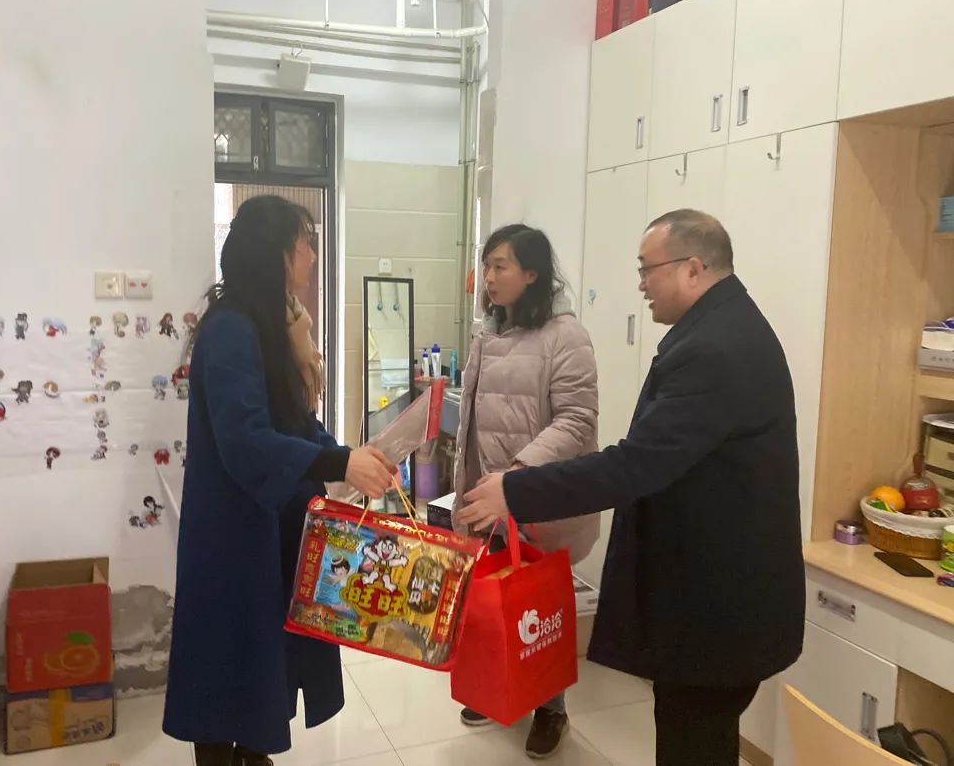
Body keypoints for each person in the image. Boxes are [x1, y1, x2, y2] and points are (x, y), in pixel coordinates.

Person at [458, 210, 805, 766]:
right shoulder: (718, 328)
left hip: (718, 599)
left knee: (694, 740)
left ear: (693, 268)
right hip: (714, 589)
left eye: (648, 269)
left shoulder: (714, 349)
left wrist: (517, 490)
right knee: (696, 734)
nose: (640, 284)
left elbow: (635, 464)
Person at [163, 196, 396, 766]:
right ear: (274, 254)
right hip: (233, 533)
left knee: (263, 657)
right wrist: (340, 466)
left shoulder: (272, 324)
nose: (313, 256)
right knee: (224, 663)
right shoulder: (230, 329)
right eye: (305, 245)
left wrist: (348, 455)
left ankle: (253, 752)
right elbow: (246, 440)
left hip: (272, 523)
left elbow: (294, 423)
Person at [452, 224, 600, 759]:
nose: (489, 277)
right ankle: (499, 687)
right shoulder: (488, 333)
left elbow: (577, 419)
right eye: (487, 265)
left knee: (539, 608)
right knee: (494, 597)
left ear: (532, 274)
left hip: (536, 493)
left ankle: (550, 708)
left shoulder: (565, 336)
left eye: (501, 266)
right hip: (487, 496)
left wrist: (519, 475)